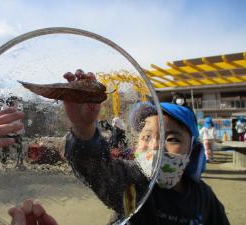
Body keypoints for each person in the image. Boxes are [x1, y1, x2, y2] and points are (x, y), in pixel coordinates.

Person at [61, 70, 228, 225]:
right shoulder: (132, 181)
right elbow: (96, 165)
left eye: (171, 138)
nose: (155, 146)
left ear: (193, 151)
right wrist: (83, 127)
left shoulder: (205, 198)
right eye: (147, 137)